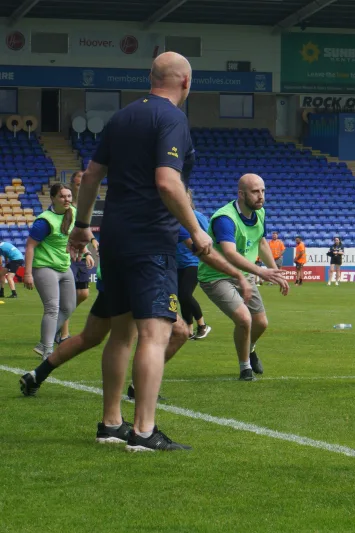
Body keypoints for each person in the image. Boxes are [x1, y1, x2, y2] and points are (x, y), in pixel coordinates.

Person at [67, 51, 212, 452]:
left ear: (151, 78)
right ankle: (144, 432)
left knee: (121, 332)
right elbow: (167, 182)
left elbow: (93, 174)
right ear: (185, 82)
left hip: (114, 237)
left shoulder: (121, 116)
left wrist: (82, 226)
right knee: (156, 331)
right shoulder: (172, 119)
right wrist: (196, 230)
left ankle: (111, 423)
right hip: (151, 241)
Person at [21, 229, 252, 401]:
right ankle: (137, 394)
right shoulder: (168, 213)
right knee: (174, 333)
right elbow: (203, 253)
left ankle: (37, 374)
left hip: (118, 277)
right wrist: (239, 274)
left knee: (91, 336)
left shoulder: (139, 206)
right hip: (147, 279)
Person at [198, 173, 290, 381]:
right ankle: (245, 368)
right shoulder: (225, 218)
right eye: (255, 192)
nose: (261, 196)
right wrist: (261, 271)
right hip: (216, 276)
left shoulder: (260, 213)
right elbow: (229, 253)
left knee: (261, 323)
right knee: (244, 319)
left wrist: (274, 271)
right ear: (241, 194)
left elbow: (261, 242)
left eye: (263, 191)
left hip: (245, 275)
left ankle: (250, 349)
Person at [24, 184, 79, 359]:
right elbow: (30, 247)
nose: (67, 200)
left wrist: (85, 252)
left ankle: (43, 343)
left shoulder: (73, 212)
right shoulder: (44, 221)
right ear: (53, 198)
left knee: (68, 307)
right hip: (44, 267)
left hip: (64, 265)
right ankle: (47, 349)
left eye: (69, 196)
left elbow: (77, 234)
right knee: (52, 308)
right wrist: (27, 273)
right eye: (62, 196)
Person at [60, 171, 96, 343]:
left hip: (81, 253)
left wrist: (88, 251)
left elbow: (82, 232)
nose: (80, 187)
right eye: (78, 184)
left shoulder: (85, 207)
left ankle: (58, 319)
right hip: (67, 254)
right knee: (69, 295)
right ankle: (63, 335)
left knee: (83, 293)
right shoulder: (65, 207)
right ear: (73, 186)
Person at [178, 189, 211, 340]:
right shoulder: (173, 217)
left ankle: (203, 325)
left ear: (189, 199)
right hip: (176, 263)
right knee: (181, 297)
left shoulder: (198, 217)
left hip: (193, 262)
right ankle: (189, 330)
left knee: (185, 294)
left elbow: (208, 237)